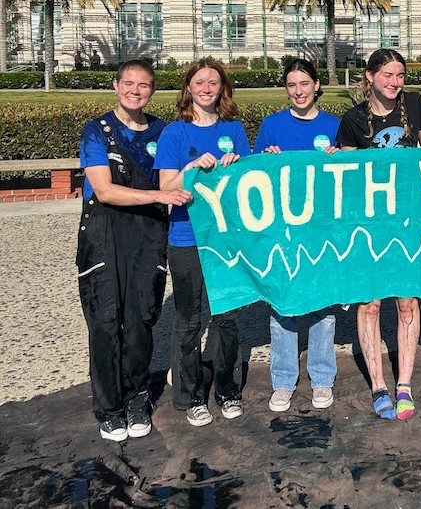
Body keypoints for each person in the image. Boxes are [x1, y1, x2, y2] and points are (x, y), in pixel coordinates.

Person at [78, 60, 191, 442]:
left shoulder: (163, 130)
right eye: (128, 83)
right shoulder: (98, 131)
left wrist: (202, 166)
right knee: (106, 321)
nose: (135, 91)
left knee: (142, 318)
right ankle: (109, 407)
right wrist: (159, 195)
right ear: (116, 85)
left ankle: (138, 398)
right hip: (104, 235)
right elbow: (105, 190)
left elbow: (177, 176)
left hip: (149, 235)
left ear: (152, 90)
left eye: (143, 85)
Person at [336, 48, 421, 420]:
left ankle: (404, 384)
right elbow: (346, 174)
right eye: (386, 75)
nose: (394, 82)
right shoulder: (353, 119)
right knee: (369, 304)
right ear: (369, 77)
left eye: (399, 75)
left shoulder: (414, 105)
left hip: (410, 220)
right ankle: (378, 385)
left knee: (406, 302)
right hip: (368, 225)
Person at [155, 58, 251, 427]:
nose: (207, 88)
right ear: (188, 88)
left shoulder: (234, 129)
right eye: (200, 82)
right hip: (186, 238)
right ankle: (191, 395)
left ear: (222, 88)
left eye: (213, 82)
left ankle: (227, 390)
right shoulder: (175, 134)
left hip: (227, 240)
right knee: (188, 321)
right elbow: (165, 189)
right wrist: (193, 169)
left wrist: (237, 163)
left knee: (227, 317)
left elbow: (248, 181)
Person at [252, 58, 340, 413]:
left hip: (322, 229)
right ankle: (284, 380)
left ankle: (321, 378)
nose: (299, 91)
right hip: (283, 230)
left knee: (324, 304)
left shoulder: (335, 125)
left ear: (317, 85)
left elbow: (352, 175)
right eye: (292, 85)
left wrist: (339, 157)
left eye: (305, 84)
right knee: (282, 303)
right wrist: (266, 158)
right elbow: (253, 176)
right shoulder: (272, 126)